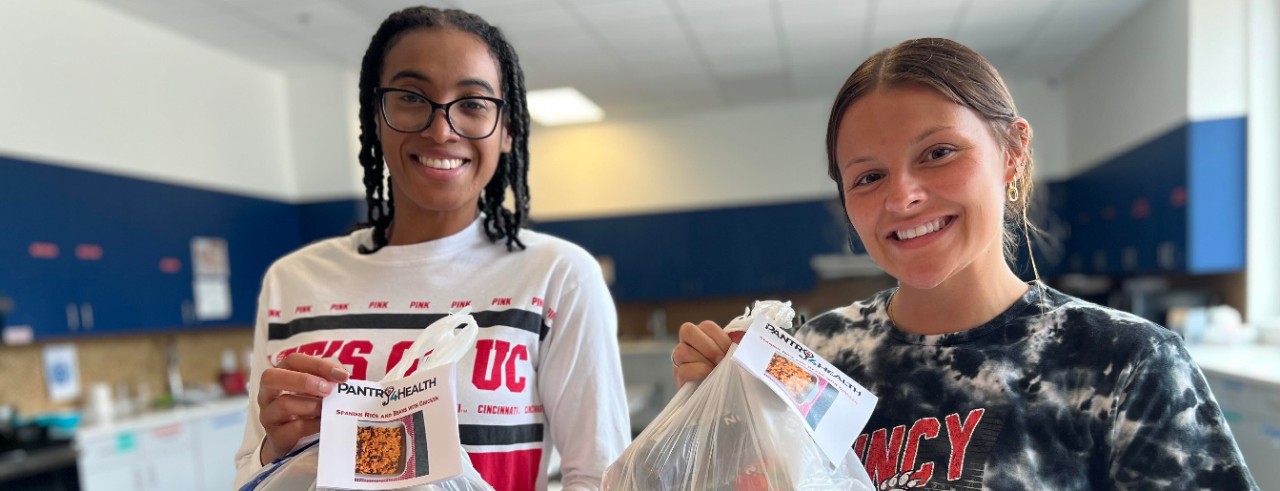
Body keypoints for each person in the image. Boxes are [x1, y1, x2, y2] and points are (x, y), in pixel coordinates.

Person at [672, 38, 1259, 490]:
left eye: (938, 153)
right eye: (869, 176)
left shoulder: (1122, 365)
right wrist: (716, 411)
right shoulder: (815, 359)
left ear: (1012, 152)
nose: (902, 197)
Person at [233, 7, 629, 490]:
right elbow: (248, 477)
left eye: (473, 103)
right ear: (375, 118)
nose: (441, 129)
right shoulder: (294, 281)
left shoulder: (557, 275)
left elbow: (604, 479)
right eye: (410, 97)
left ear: (507, 131)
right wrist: (276, 449)